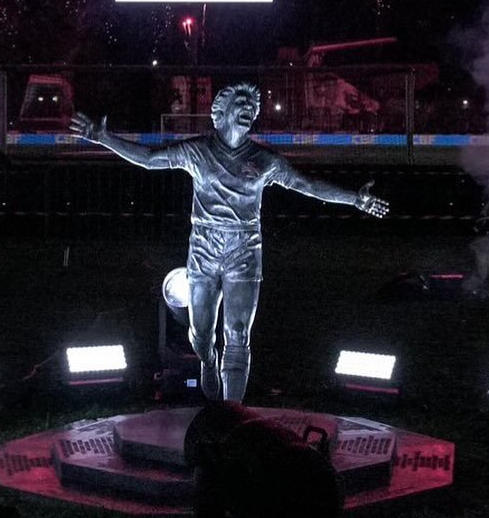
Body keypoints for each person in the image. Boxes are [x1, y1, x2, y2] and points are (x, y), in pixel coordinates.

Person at [70, 81, 389, 402]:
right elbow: (151, 158)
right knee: (200, 334)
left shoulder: (265, 160)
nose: (249, 109)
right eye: (241, 103)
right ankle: (208, 360)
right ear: (219, 113)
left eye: (253, 106)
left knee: (238, 334)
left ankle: (231, 412)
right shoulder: (198, 151)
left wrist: (355, 199)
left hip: (245, 251)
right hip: (204, 250)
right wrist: (103, 138)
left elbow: (307, 185)